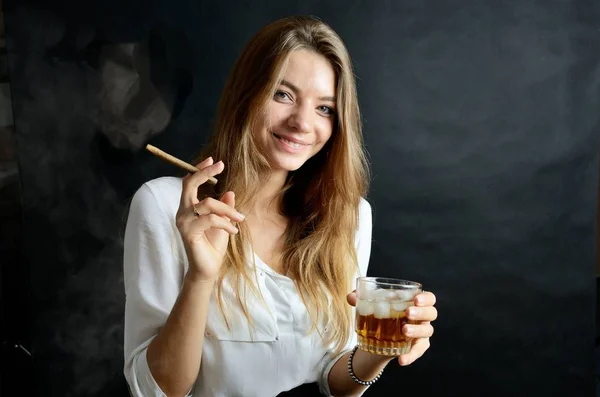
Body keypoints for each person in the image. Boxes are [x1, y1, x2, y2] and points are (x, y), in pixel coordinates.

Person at [123, 15, 438, 397]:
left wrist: (377, 351)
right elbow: (156, 390)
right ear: (247, 94)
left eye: (324, 108)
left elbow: (334, 381)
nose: (302, 123)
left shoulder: (350, 217)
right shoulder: (165, 205)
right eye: (282, 95)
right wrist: (201, 278)